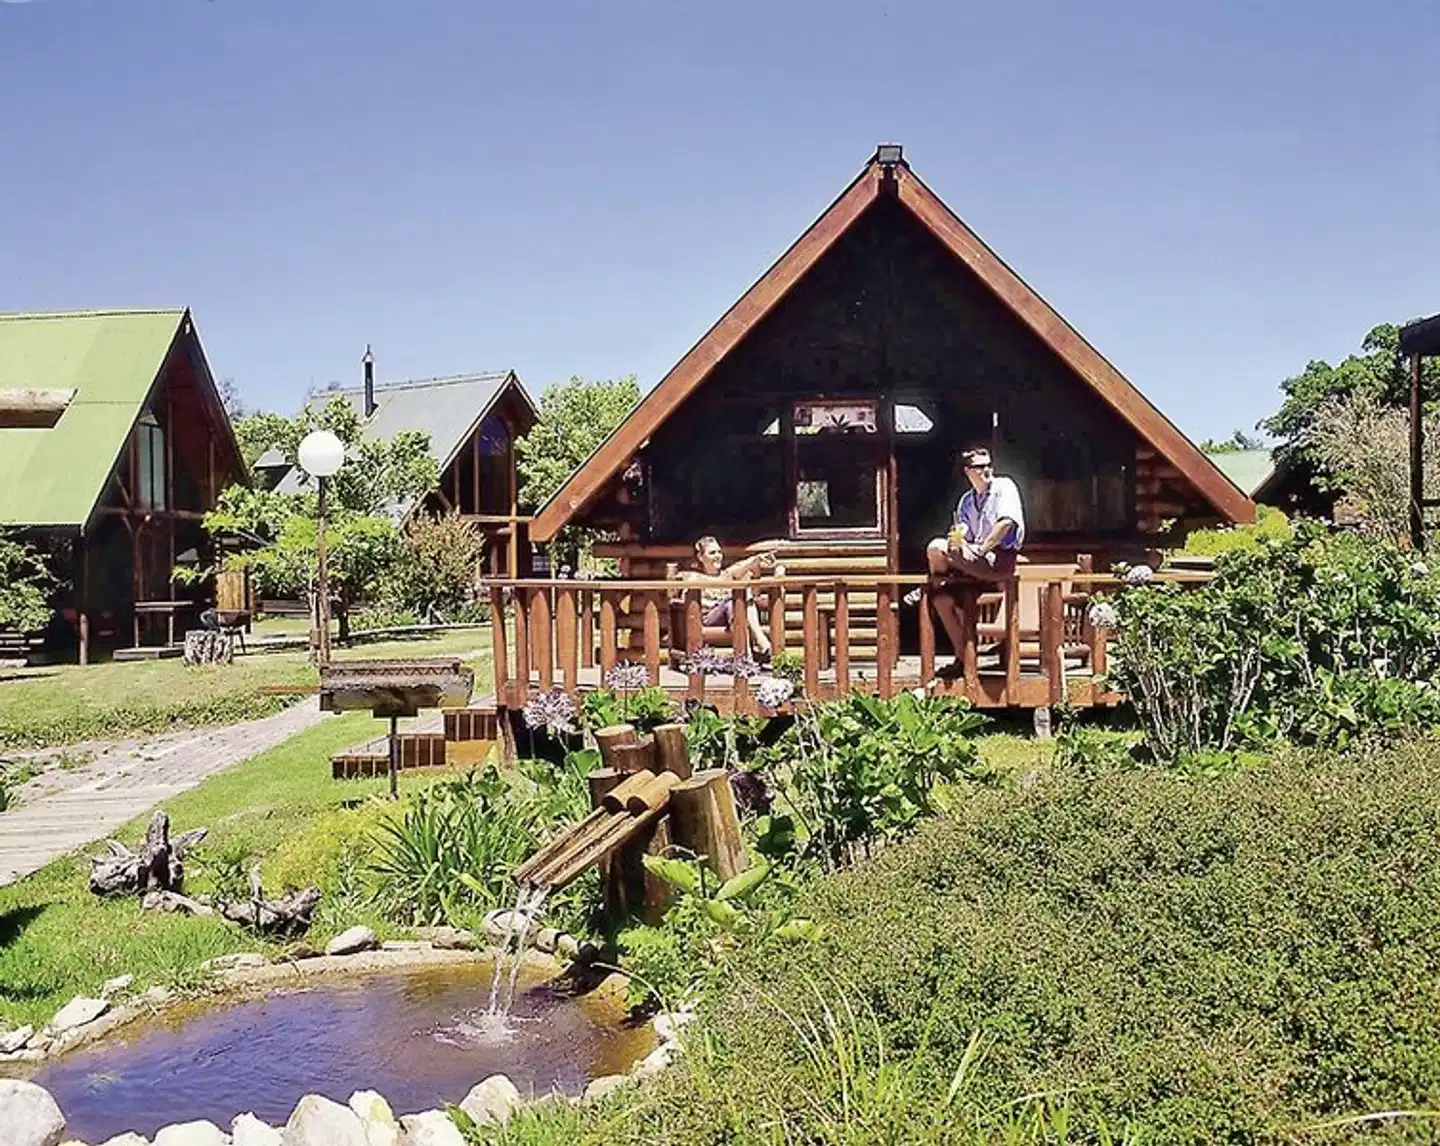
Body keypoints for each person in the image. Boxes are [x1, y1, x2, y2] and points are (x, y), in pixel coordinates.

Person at [915, 447, 1026, 664]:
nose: (987, 470)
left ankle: (931, 585)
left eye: (989, 465)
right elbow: (961, 533)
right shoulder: (966, 500)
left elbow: (1006, 523)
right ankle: (964, 659)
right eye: (980, 466)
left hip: (998, 560)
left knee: (936, 546)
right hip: (972, 563)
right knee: (942, 600)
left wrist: (982, 549)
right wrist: (958, 539)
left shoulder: (1004, 487)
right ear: (968, 471)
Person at [675, 536, 779, 659]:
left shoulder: (726, 574)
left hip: (733, 616)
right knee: (732, 602)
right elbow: (684, 596)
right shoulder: (694, 577)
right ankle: (754, 647)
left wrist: (758, 558)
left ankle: (753, 647)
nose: (718, 556)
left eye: (719, 552)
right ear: (700, 557)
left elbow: (743, 565)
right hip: (708, 619)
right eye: (712, 553)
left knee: (743, 595)